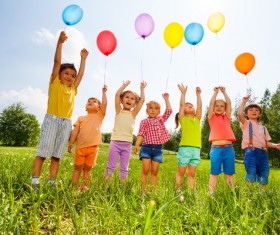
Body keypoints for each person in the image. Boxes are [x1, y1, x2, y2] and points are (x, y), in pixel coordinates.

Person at [31, 31, 89, 190]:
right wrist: (60, 43)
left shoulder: (73, 89)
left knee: (56, 155)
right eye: (67, 73)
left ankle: (51, 183)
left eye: (73, 75)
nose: (70, 77)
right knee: (43, 153)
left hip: (65, 124)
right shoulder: (55, 83)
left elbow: (82, 75)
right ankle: (35, 181)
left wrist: (83, 59)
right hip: (52, 120)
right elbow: (57, 62)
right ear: (59, 75)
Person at [104, 80, 147, 184]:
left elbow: (142, 101)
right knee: (111, 166)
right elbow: (117, 94)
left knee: (124, 168)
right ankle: (105, 187)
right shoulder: (118, 110)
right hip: (115, 142)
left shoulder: (133, 113)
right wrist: (124, 85)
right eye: (126, 97)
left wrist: (142, 89)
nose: (129, 99)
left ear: (134, 104)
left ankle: (122, 188)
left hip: (127, 144)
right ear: (122, 100)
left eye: (132, 99)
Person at [68, 85, 107, 192]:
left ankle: (84, 187)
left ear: (98, 108)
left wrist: (103, 93)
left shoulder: (99, 116)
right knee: (77, 168)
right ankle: (74, 187)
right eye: (88, 101)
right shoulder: (80, 118)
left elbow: (104, 104)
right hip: (80, 147)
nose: (90, 102)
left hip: (93, 148)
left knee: (87, 169)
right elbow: (75, 131)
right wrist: (71, 143)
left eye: (94, 101)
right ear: (85, 107)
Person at [238, 96, 280, 190]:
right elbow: (239, 114)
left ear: (260, 114)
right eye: (251, 110)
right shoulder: (246, 123)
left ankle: (262, 195)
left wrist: (275, 145)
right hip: (251, 152)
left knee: (265, 173)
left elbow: (266, 143)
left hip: (263, 154)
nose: (254, 111)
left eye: (256, 110)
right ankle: (249, 194)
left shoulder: (264, 128)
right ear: (246, 113)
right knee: (251, 173)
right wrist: (244, 101)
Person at [134, 93, 172, 193]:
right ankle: (142, 191)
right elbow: (141, 134)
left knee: (154, 171)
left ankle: (151, 191)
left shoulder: (161, 119)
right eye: (150, 108)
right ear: (147, 110)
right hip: (146, 148)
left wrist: (166, 99)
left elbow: (169, 111)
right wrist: (137, 145)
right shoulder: (144, 121)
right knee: (145, 170)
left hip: (158, 149)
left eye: (156, 108)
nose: (153, 110)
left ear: (159, 111)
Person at [208, 86, 236, 195]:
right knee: (214, 172)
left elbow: (229, 104)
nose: (219, 107)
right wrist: (215, 93)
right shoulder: (211, 117)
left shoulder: (227, 117)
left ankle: (232, 193)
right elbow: (211, 104)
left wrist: (224, 92)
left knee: (229, 173)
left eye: (221, 106)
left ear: (225, 108)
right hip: (216, 149)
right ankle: (211, 193)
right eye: (217, 106)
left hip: (229, 149)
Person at [175, 84, 202, 194]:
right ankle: (178, 191)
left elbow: (199, 107)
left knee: (191, 173)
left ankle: (191, 192)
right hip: (185, 149)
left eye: (191, 105)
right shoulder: (183, 119)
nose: (190, 106)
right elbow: (181, 105)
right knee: (181, 172)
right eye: (187, 105)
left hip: (196, 149)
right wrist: (183, 94)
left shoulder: (197, 119)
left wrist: (198, 95)